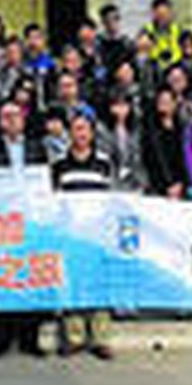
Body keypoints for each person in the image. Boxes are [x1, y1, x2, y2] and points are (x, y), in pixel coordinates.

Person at [0, 99, 50, 359]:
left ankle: (30, 339)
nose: (11, 121)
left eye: (15, 116)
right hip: (2, 222)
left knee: (31, 279)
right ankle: (2, 338)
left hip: (31, 220)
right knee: (3, 279)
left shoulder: (36, 147)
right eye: (6, 116)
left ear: (23, 119)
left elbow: (45, 183)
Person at [51, 113, 114, 360]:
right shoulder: (59, 165)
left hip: (97, 231)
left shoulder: (104, 162)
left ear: (92, 133)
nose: (81, 134)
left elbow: (112, 198)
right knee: (72, 281)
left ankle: (100, 338)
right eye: (76, 129)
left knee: (99, 283)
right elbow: (53, 200)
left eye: (85, 129)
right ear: (69, 134)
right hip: (70, 232)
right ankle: (74, 338)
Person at [142, 86, 187, 200]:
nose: (164, 104)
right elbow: (154, 159)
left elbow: (185, 158)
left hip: (181, 187)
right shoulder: (150, 129)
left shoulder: (182, 128)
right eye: (161, 101)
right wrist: (168, 184)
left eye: (167, 101)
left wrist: (181, 183)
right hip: (158, 188)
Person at [101, 90, 145, 193]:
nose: (121, 110)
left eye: (124, 105)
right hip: (113, 177)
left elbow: (138, 155)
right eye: (117, 105)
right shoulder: (103, 130)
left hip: (135, 177)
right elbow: (105, 155)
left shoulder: (136, 129)